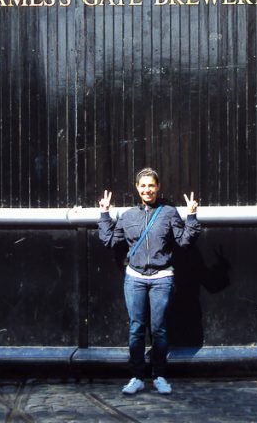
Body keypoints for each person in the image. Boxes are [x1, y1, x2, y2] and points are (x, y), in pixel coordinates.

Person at [98, 168, 201, 395]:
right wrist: (104, 214)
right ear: (137, 188)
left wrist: (191, 217)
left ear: (158, 187)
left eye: (151, 185)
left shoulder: (168, 212)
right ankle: (137, 376)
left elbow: (184, 242)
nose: (147, 190)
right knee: (136, 329)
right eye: (143, 186)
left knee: (159, 329)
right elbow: (110, 241)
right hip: (134, 278)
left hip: (161, 278)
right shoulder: (128, 216)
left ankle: (159, 375)